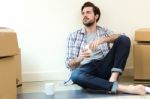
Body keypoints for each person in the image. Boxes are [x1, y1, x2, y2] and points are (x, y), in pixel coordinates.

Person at [65, 1, 150, 95]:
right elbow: (68, 63)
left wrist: (103, 40)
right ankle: (123, 88)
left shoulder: (104, 32)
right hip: (86, 69)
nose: (85, 15)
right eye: (83, 13)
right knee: (75, 75)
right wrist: (79, 58)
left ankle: (113, 78)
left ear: (96, 16)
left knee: (124, 39)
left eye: (88, 12)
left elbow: (122, 37)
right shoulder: (73, 36)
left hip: (104, 65)